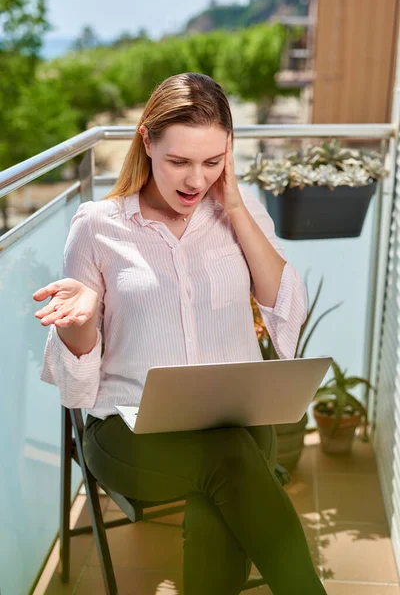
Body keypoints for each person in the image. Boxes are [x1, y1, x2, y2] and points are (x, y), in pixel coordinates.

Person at [33, 72, 326, 595]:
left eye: (213, 162)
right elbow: (78, 388)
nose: (197, 180)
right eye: (179, 162)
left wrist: (234, 205)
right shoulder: (97, 226)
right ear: (147, 141)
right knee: (234, 463)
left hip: (232, 421)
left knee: (223, 484)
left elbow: (288, 311)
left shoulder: (239, 212)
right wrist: (79, 328)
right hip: (130, 432)